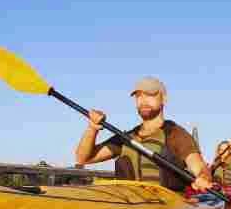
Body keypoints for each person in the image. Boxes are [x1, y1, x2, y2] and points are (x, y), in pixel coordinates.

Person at [74, 76, 213, 193]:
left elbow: (199, 167)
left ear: (164, 99)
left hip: (166, 205)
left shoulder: (175, 134)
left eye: (150, 95)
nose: (143, 101)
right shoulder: (127, 137)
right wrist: (92, 128)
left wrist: (203, 178)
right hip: (127, 201)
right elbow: (83, 158)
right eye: (139, 96)